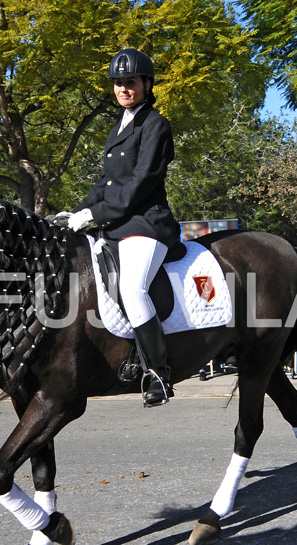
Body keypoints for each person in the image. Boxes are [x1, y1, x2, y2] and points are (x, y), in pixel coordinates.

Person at [63, 48, 178, 407]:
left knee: (132, 288)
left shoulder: (155, 125)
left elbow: (141, 183)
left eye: (130, 82)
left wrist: (95, 215)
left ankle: (158, 373)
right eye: (118, 83)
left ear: (146, 84)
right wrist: (77, 213)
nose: (124, 89)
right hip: (115, 225)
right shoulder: (119, 126)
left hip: (146, 224)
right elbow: (106, 183)